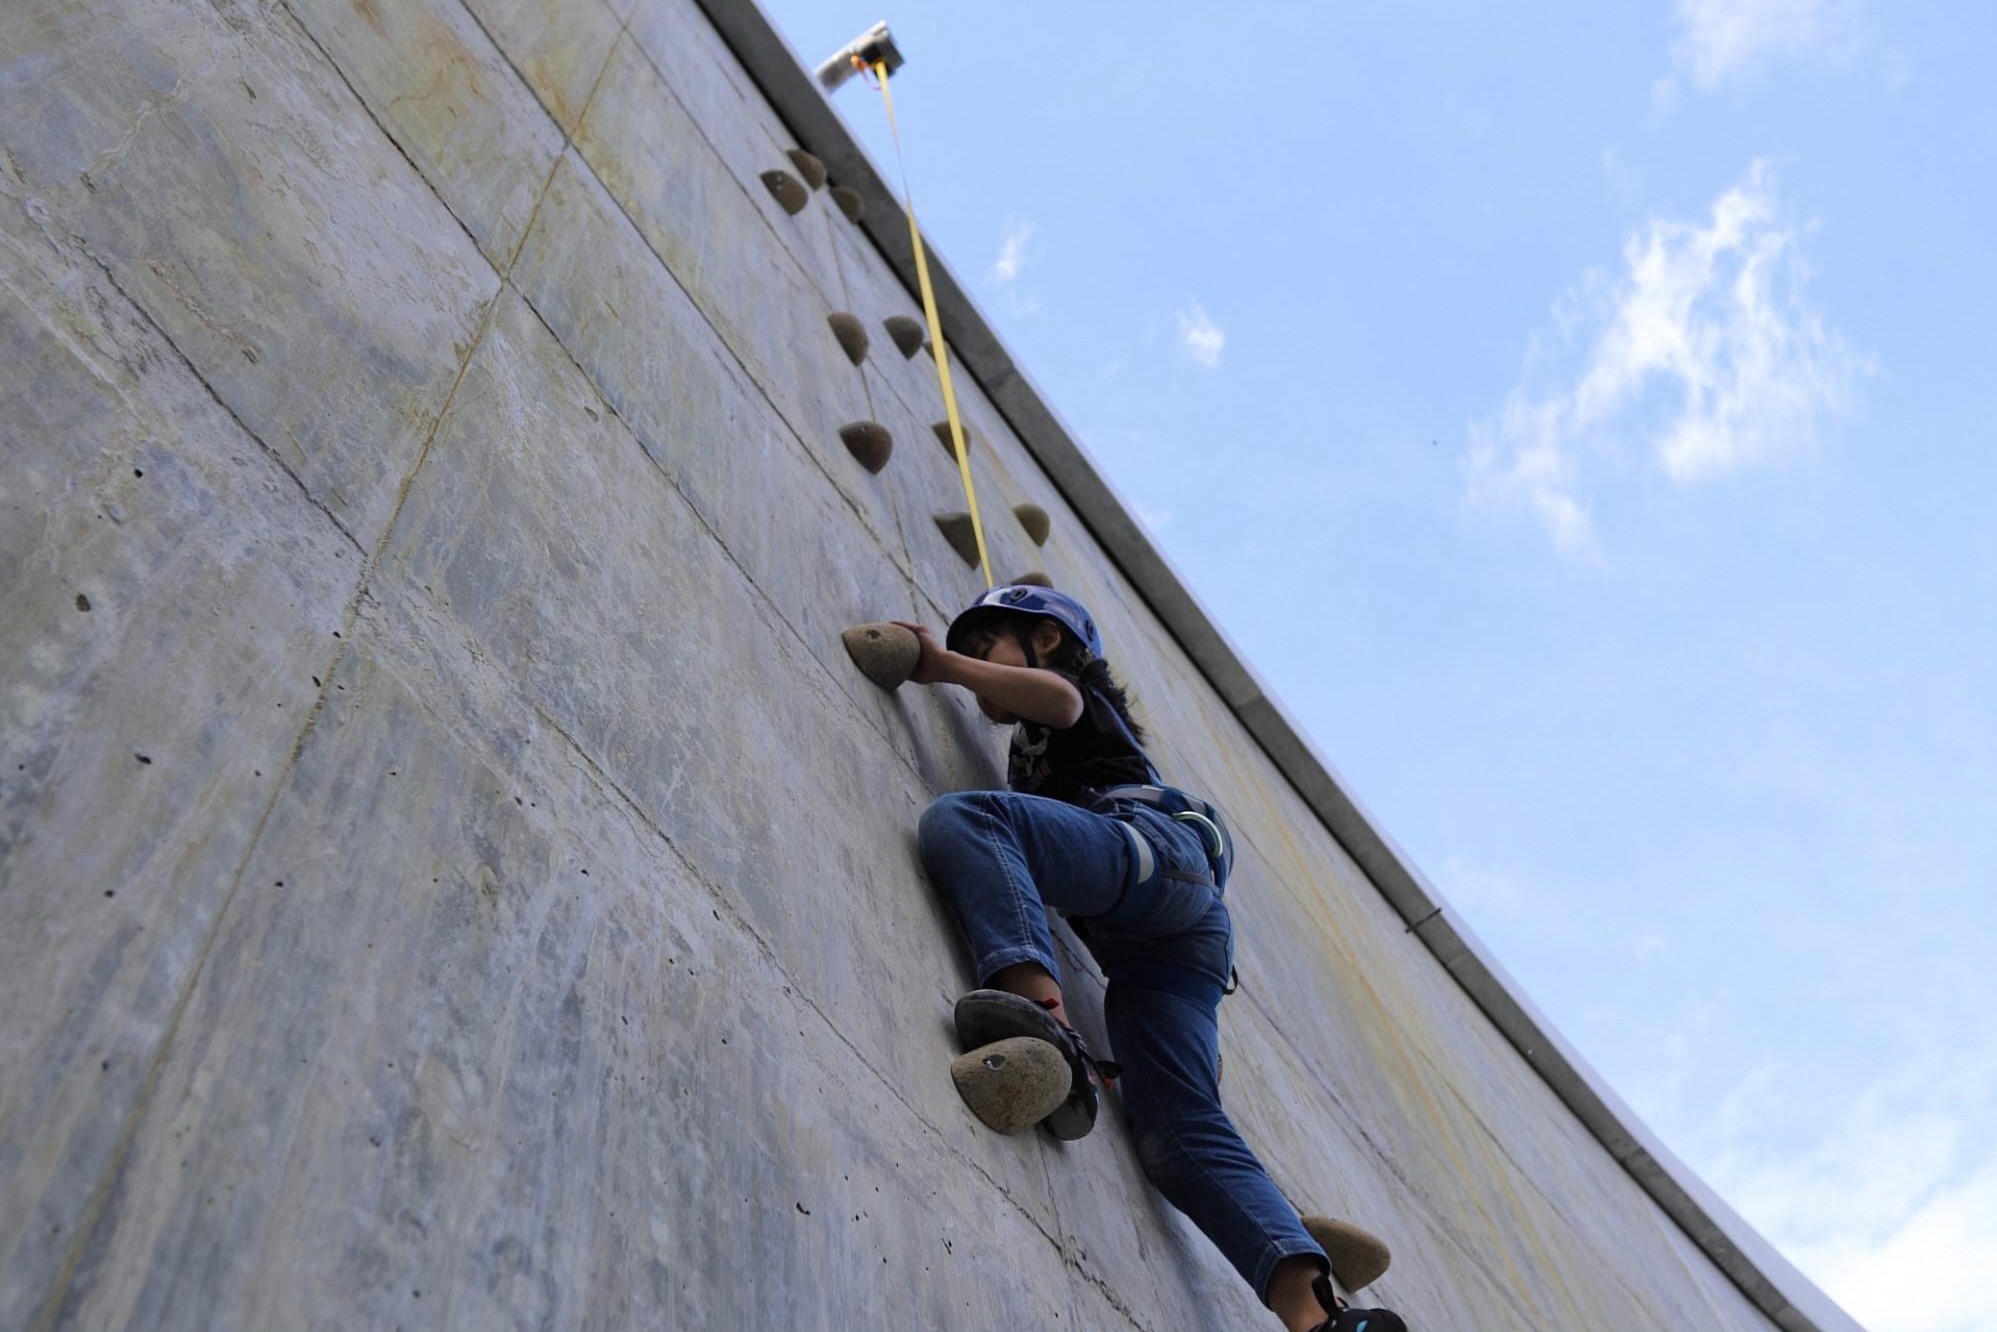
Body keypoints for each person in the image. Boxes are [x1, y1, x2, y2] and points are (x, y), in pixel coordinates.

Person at [897, 585, 1407, 1332]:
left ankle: (1043, 1025)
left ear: (1044, 640)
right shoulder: (1045, 743)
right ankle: (1321, 1317)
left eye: (987, 645)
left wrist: (939, 664)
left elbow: (1058, 704)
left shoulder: (1074, 698)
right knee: (1178, 1134)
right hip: (1176, 932)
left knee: (967, 820)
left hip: (1151, 854)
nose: (976, 666)